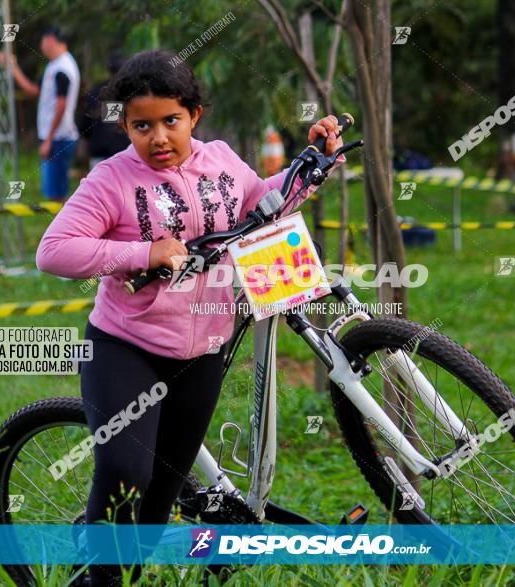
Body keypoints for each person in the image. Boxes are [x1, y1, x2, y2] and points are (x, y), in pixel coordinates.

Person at [35, 49, 345, 586]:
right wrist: (142, 253)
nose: (157, 137)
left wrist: (311, 165)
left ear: (195, 114)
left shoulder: (222, 160)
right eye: (141, 125)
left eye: (170, 121)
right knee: (126, 474)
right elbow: (54, 250)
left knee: (157, 503)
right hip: (125, 349)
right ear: (126, 126)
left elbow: (261, 203)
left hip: (201, 355)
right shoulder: (111, 179)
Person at [2, 26, 81, 200]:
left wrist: (49, 140)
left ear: (51, 40)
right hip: (55, 138)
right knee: (53, 192)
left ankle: (64, 227)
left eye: (42, 42)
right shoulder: (54, 66)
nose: (41, 46)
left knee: (56, 196)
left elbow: (62, 105)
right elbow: (32, 90)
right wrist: (12, 66)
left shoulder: (63, 68)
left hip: (59, 138)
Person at [78, 51, 130, 169]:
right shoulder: (132, 92)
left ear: (108, 70)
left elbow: (84, 126)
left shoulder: (96, 91)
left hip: (100, 159)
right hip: (125, 158)